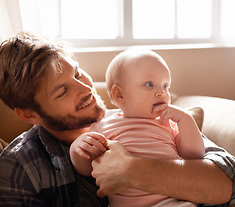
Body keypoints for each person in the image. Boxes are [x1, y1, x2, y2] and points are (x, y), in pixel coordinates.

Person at [0, 31, 235, 207]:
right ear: (29, 114)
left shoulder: (143, 116)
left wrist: (134, 171)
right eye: (63, 90)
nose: (86, 89)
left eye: (78, 73)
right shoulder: (19, 170)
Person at [70, 49, 205, 207]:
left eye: (166, 86)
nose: (162, 93)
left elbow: (194, 155)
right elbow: (86, 169)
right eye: (149, 84)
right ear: (119, 95)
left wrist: (186, 120)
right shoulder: (103, 125)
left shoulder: (169, 122)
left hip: (168, 202)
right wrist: (77, 147)